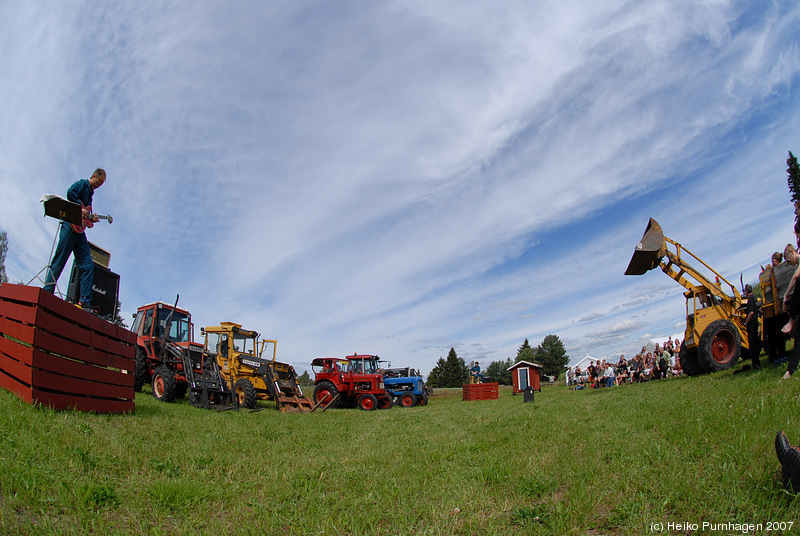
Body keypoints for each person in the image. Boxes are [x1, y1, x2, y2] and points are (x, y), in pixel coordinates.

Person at [43, 169, 107, 309]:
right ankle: (47, 293)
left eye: (101, 184)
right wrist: (80, 208)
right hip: (69, 225)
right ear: (94, 176)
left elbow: (87, 221)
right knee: (59, 261)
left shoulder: (90, 196)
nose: (98, 185)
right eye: (98, 182)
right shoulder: (82, 184)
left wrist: (92, 220)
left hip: (79, 232)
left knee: (88, 265)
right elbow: (70, 192)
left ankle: (84, 302)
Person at [743, 284, 761, 369]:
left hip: (751, 324)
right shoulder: (755, 297)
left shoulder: (750, 299)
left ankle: (755, 364)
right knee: (756, 343)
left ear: (747, 291)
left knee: (752, 344)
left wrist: (746, 322)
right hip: (756, 323)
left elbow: (751, 312)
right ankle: (758, 363)